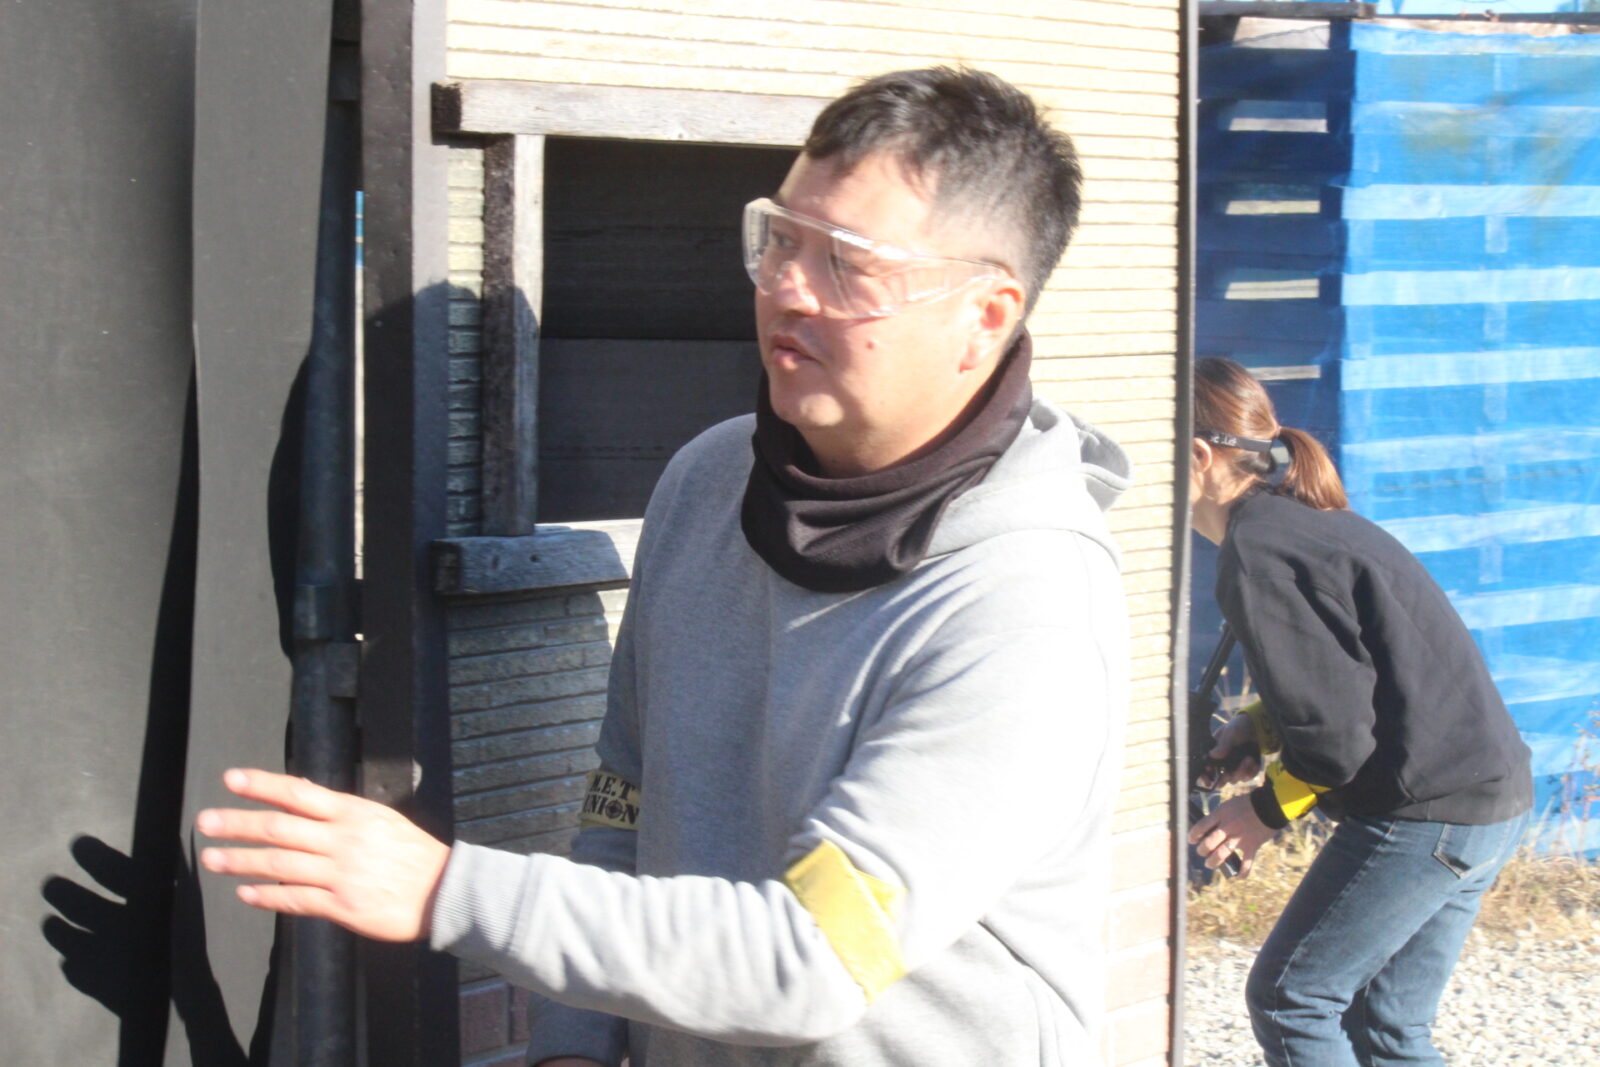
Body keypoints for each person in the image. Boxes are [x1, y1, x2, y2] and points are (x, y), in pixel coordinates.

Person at [196, 66, 1133, 1065]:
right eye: (781, 239)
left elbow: (812, 955)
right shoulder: (707, 481)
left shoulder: (1024, 603)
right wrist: (573, 1039)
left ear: (984, 315)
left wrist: (443, 888)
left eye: (848, 264)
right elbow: (626, 790)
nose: (786, 288)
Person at [1185, 357, 1533, 1067]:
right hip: (1486, 802)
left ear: (1195, 456)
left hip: (1426, 814)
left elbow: (1336, 738)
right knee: (1384, 1029)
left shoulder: (1258, 551)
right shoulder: (1293, 524)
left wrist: (1262, 811)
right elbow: (1347, 676)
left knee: (1292, 1000)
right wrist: (1259, 725)